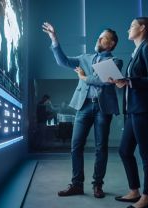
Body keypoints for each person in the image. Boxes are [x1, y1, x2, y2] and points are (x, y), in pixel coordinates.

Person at [42, 22, 122, 198]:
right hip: (83, 105)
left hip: (103, 108)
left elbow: (103, 80)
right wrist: (54, 39)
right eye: (99, 36)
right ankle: (77, 184)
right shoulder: (84, 58)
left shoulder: (115, 61)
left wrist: (84, 78)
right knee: (76, 146)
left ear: (111, 44)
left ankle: (97, 185)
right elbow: (62, 61)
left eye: (103, 37)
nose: (98, 39)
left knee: (101, 148)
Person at [111, 17, 148, 208]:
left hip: (144, 109)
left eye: (131, 26)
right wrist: (123, 82)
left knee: (146, 154)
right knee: (125, 150)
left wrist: (130, 80)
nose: (128, 30)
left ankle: (146, 197)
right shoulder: (137, 51)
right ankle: (134, 190)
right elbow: (136, 80)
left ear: (142, 28)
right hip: (133, 109)